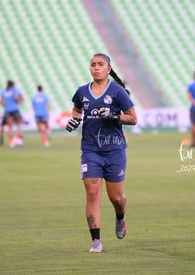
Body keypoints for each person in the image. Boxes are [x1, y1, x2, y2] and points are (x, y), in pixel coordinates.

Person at [65, 53, 137, 253]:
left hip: (114, 150)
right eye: (93, 65)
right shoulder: (81, 91)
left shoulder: (117, 92)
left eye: (100, 64)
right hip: (90, 150)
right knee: (92, 194)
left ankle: (120, 216)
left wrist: (114, 116)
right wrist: (74, 120)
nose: (96, 67)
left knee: (116, 198)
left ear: (108, 69)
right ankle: (96, 242)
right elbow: (76, 110)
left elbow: (133, 118)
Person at [0, 80, 24, 147]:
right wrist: (19, 102)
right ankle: (19, 140)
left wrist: (2, 106)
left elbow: (1, 101)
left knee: (9, 127)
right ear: (13, 85)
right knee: (19, 125)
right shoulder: (15, 90)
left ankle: (11, 142)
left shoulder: (3, 92)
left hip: (7, 110)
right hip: (15, 109)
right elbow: (19, 98)